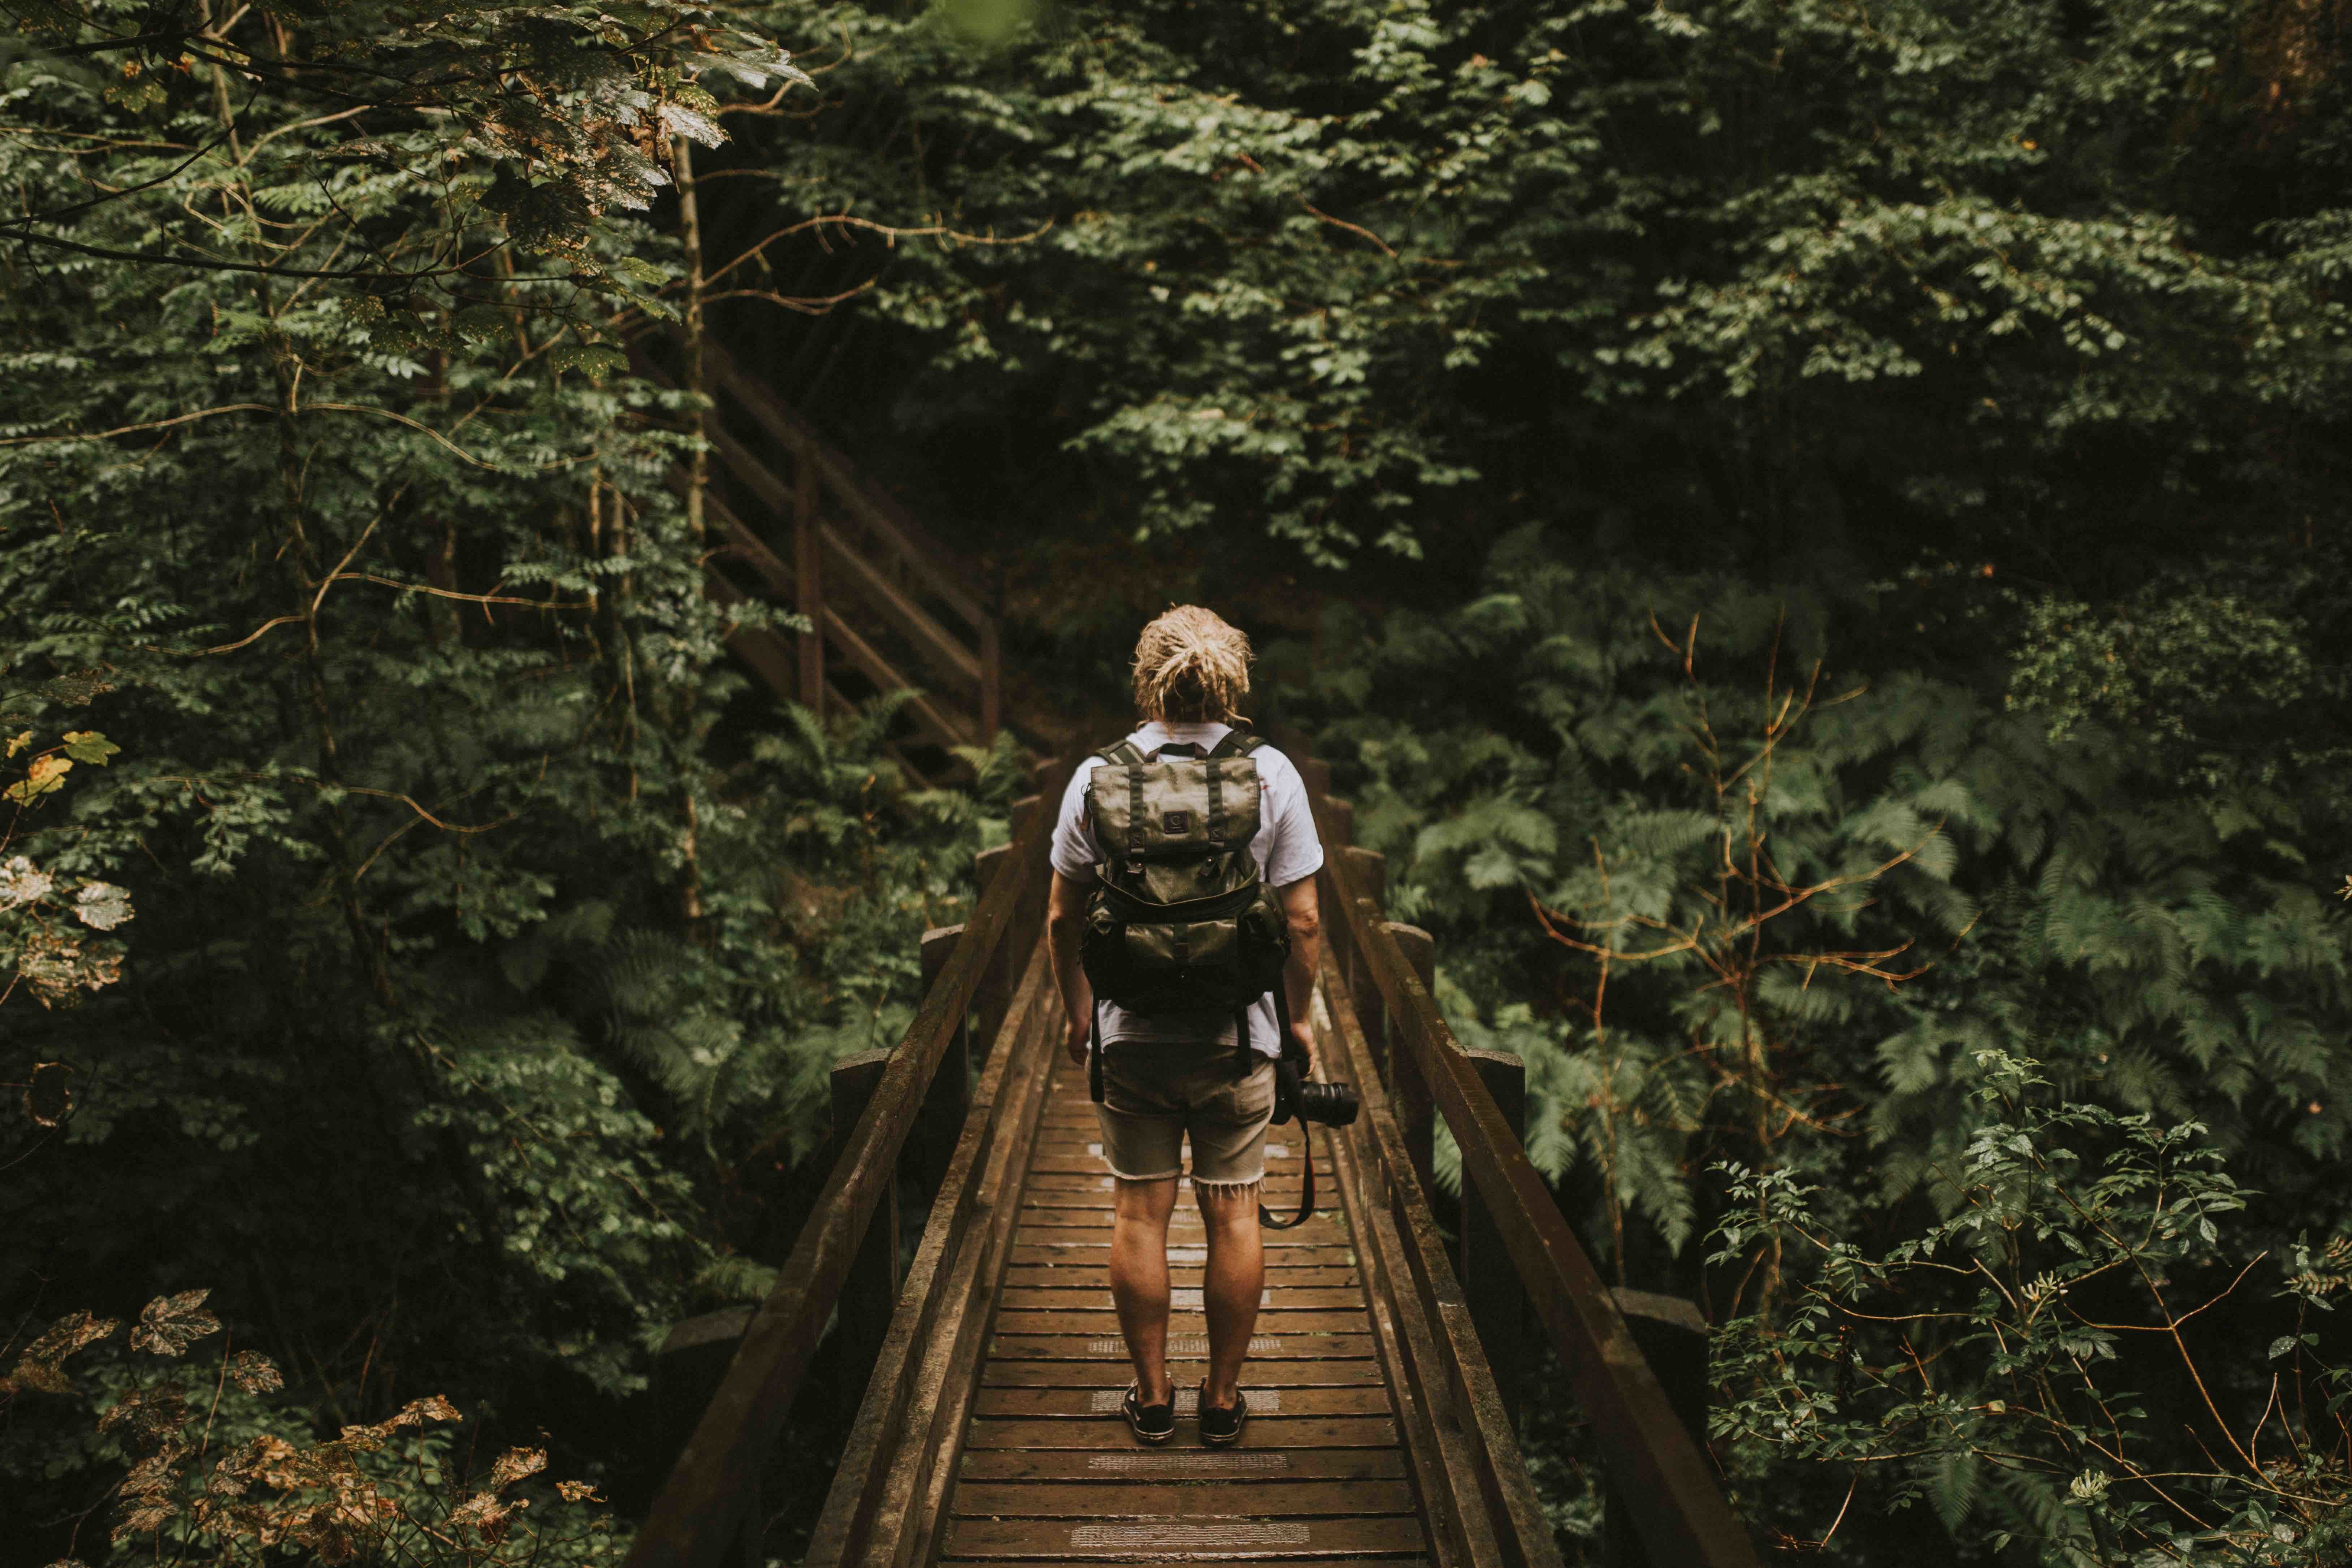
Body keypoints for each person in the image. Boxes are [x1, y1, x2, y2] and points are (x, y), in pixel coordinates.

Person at [1045, 605, 1325, 1448]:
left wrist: (1078, 1011)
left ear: (1146, 676)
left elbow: (1060, 916)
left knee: (1140, 1212)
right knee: (1234, 1212)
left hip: (1130, 1036)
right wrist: (1300, 1018)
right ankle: (1224, 1399)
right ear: (1234, 678)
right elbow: (1304, 920)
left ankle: (1153, 1396)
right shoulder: (1271, 773)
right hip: (1237, 1036)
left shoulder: (1100, 774)